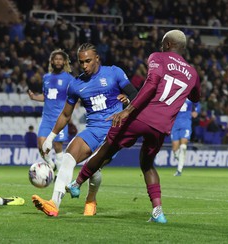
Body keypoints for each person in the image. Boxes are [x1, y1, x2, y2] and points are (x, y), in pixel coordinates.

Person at [66, 30, 201, 224]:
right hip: (162, 126)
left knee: (107, 148)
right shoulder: (193, 72)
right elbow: (196, 97)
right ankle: (158, 212)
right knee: (147, 164)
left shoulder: (158, 57)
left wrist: (128, 110)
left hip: (141, 116)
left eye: (163, 44)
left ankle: (77, 184)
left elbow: (152, 83)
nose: (161, 47)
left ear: (169, 45)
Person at [32, 43, 138, 217]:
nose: (84, 66)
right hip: (93, 129)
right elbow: (66, 115)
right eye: (81, 62)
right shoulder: (76, 84)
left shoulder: (114, 73)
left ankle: (90, 199)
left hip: (115, 131)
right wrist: (50, 137)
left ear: (97, 58)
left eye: (88, 61)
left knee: (92, 167)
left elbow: (136, 95)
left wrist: (127, 105)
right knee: (68, 157)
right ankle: (53, 204)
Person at [27, 49, 75, 171]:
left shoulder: (69, 79)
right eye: (56, 59)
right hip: (47, 118)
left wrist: (69, 115)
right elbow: (46, 96)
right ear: (52, 62)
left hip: (60, 118)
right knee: (41, 145)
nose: (58, 61)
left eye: (60, 59)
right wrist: (34, 97)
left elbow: (74, 97)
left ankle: (60, 174)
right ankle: (51, 165)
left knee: (58, 146)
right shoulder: (46, 78)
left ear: (64, 62)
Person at [171, 99, 200, 176]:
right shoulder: (175, 95)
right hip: (175, 123)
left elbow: (197, 104)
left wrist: (196, 111)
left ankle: (179, 170)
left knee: (183, 146)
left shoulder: (190, 96)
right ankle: (181, 160)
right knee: (175, 150)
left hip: (186, 122)